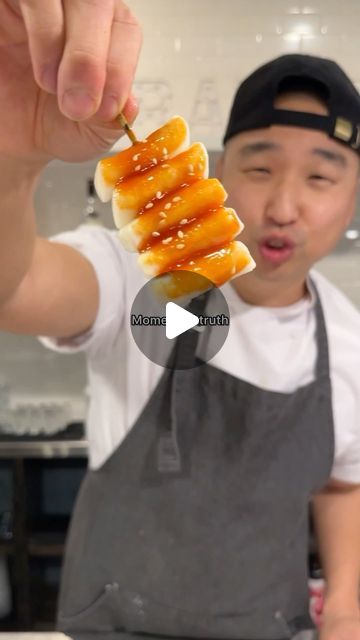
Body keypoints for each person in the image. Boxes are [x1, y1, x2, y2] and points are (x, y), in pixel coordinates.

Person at [0, 2, 360, 639]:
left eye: (321, 176)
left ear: (354, 195)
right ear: (216, 172)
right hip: (116, 624)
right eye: (259, 166)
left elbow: (342, 484)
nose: (283, 206)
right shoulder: (135, 273)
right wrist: (11, 164)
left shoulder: (349, 338)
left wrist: (348, 610)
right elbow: (17, 286)